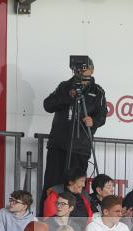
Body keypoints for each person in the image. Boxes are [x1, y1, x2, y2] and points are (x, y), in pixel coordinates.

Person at [41, 57, 106, 194]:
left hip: (80, 147)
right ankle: (48, 214)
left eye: (85, 68)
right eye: (78, 68)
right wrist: (66, 97)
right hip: (58, 144)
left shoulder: (98, 91)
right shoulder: (64, 86)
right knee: (52, 184)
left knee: (76, 186)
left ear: (92, 70)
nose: (81, 71)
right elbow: (48, 105)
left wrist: (93, 121)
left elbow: (102, 116)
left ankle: (76, 214)